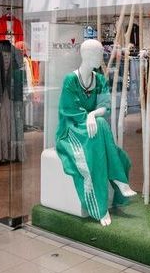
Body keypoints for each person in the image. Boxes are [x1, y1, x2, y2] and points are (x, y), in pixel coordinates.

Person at [55, 39, 136, 226]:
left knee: (100, 123)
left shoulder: (99, 79)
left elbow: (104, 105)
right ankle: (112, 188)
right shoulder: (70, 80)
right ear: (86, 55)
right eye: (98, 54)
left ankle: (117, 182)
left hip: (92, 127)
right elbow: (68, 109)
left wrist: (92, 115)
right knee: (96, 149)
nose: (101, 57)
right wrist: (87, 117)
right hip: (72, 129)